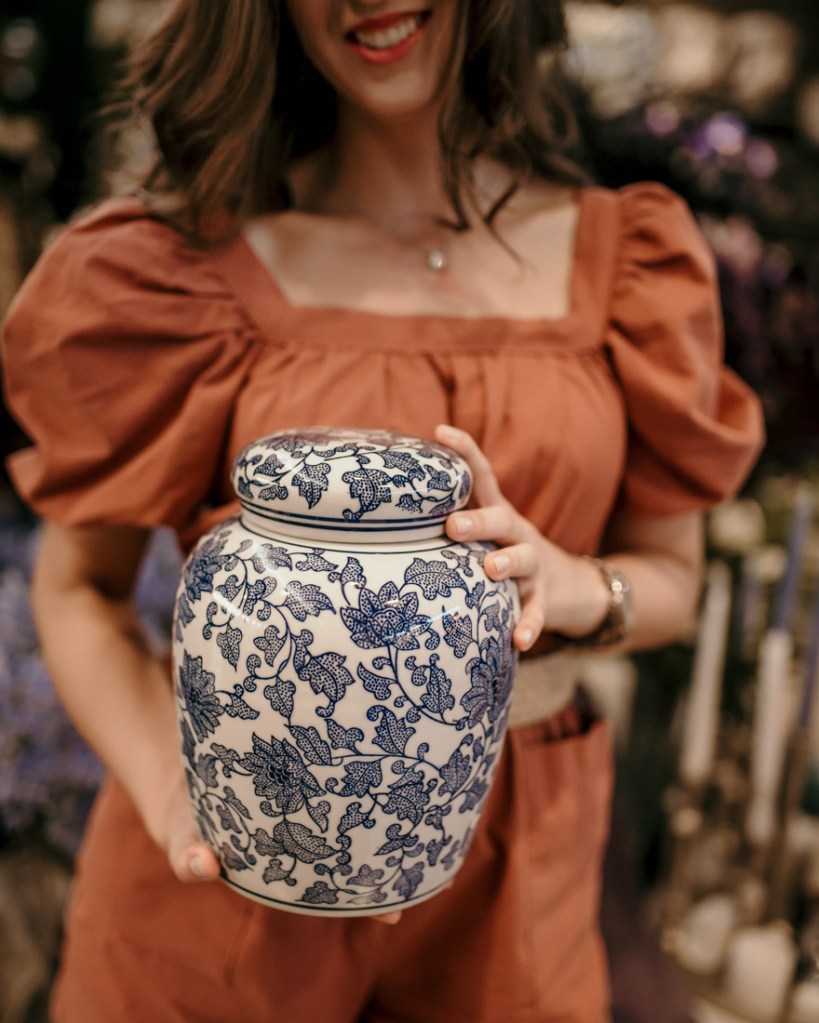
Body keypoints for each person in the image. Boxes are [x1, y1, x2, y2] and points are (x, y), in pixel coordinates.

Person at [2, 1, 764, 1020]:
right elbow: (81, 589)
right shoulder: (174, 268)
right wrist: (170, 790)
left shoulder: (631, 260)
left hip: (516, 892)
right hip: (235, 881)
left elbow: (671, 579)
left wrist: (571, 584)